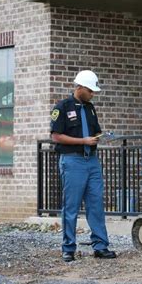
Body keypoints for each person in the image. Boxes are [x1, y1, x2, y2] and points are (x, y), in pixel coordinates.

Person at [50, 70, 116, 262]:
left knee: (96, 204)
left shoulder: (90, 108)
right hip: (72, 161)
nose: (93, 94)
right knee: (71, 206)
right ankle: (68, 248)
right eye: (90, 90)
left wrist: (100, 137)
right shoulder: (62, 107)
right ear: (79, 87)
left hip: (92, 161)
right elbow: (55, 136)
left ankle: (101, 246)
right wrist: (82, 141)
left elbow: (95, 131)